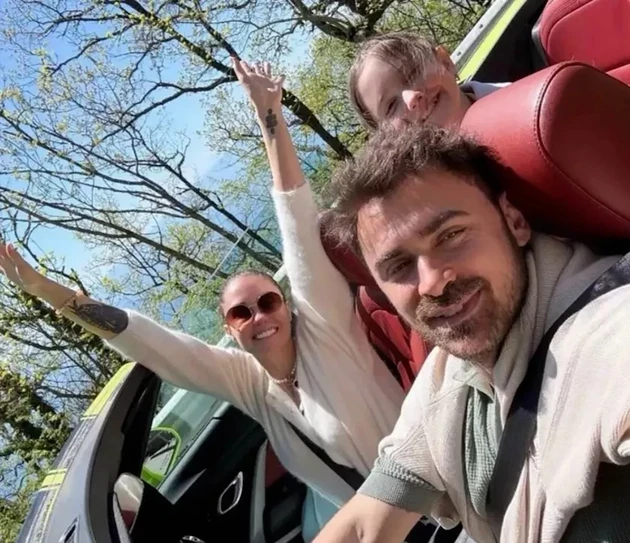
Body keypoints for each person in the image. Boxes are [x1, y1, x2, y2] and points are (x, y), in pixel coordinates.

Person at [0, 59, 407, 542]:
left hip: (438, 494)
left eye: (268, 301)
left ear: (287, 304)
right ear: (230, 328)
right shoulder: (250, 385)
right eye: (241, 312)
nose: (259, 316)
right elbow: (149, 341)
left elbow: (297, 221)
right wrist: (48, 292)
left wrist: (269, 115)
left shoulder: (326, 327)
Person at [314, 123, 630, 542]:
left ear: (514, 221)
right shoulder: (445, 379)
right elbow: (363, 526)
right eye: (399, 266)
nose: (432, 282)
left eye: (451, 235)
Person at [346, 31, 630, 173]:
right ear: (382, 137)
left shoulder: (548, 106)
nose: (412, 97)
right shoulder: (437, 196)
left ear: (446, 61)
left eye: (413, 72)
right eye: (390, 106)